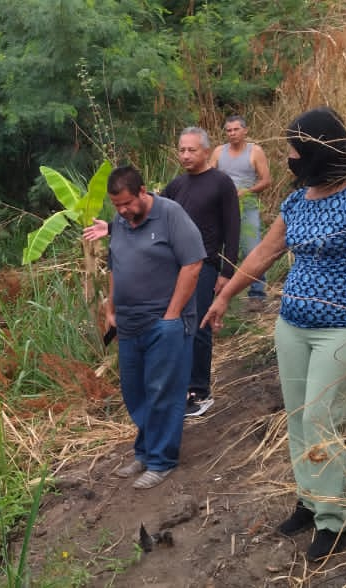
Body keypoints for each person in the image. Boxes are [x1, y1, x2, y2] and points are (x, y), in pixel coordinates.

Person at [201, 107, 346, 562]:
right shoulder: (296, 202)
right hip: (292, 325)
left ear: (319, 150)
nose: (289, 157)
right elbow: (263, 256)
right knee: (297, 417)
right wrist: (225, 296)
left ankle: (336, 519)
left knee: (322, 420)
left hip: (344, 328)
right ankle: (310, 502)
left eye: (295, 149)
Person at [85, 129, 239, 420]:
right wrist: (113, 226)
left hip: (204, 262)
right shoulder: (177, 185)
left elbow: (233, 226)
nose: (185, 155)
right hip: (173, 265)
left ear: (206, 152)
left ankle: (198, 390)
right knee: (177, 327)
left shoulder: (221, 182)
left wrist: (227, 270)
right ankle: (177, 389)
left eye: (192, 150)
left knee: (199, 326)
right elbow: (141, 214)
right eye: (181, 150)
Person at [101, 165, 205, 490]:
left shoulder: (171, 215)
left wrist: (173, 314)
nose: (122, 211)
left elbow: (193, 264)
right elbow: (114, 265)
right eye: (116, 205)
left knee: (164, 391)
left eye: (128, 203)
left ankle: (162, 460)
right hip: (130, 323)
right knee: (135, 391)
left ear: (143, 191)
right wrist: (110, 307)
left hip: (165, 322)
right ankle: (144, 452)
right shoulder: (120, 221)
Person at [210, 115, 272, 307]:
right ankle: (216, 291)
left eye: (236, 129)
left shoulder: (255, 151)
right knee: (217, 248)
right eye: (228, 130)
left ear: (245, 131)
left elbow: (266, 180)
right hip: (221, 205)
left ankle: (257, 293)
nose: (232, 134)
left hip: (247, 205)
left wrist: (247, 191)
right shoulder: (219, 151)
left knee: (252, 248)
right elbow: (208, 174)